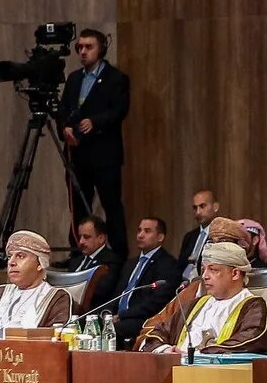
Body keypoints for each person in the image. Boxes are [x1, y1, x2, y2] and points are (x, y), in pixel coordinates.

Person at [58, 27, 132, 257]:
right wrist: (66, 128)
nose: (82, 51)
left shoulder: (116, 78)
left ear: (101, 49)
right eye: (79, 47)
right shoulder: (74, 79)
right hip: (78, 154)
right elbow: (63, 109)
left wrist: (95, 122)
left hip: (104, 154)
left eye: (88, 47)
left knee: (111, 204)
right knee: (78, 206)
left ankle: (119, 253)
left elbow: (119, 110)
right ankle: (78, 251)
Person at [136, 241, 267, 354]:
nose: (205, 276)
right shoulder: (197, 304)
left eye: (213, 269)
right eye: (204, 269)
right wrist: (166, 350)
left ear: (235, 273)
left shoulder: (254, 307)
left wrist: (194, 355)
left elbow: (246, 343)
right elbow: (159, 332)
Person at [0, 230, 73, 338]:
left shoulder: (57, 299)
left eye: (20, 256)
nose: (11, 262)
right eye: (9, 256)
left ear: (40, 263)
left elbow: (55, 341)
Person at [113, 217, 185, 346]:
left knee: (113, 329)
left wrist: (123, 315)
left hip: (145, 320)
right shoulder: (130, 264)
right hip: (119, 317)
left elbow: (156, 303)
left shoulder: (168, 265)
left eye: (147, 231)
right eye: (139, 230)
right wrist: (107, 314)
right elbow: (117, 295)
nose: (140, 235)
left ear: (160, 237)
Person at [64, 215, 123, 301]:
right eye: (80, 236)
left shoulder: (111, 261)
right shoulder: (76, 261)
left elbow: (101, 292)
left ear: (101, 238)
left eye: (86, 237)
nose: (81, 242)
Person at [177, 189, 221, 276]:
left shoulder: (221, 234)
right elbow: (180, 267)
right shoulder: (189, 236)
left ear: (215, 207)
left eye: (202, 206)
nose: (198, 212)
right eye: (195, 208)